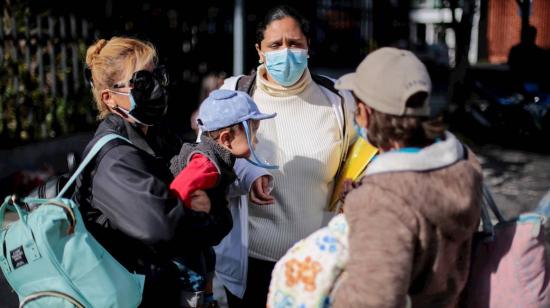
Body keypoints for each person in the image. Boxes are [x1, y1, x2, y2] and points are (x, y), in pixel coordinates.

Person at [214, 5, 356, 307]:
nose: (286, 52)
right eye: (275, 45)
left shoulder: (338, 102)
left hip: (316, 264)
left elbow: (359, 166)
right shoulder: (234, 96)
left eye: (294, 44)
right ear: (259, 50)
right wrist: (245, 178)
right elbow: (206, 163)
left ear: (308, 47)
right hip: (251, 265)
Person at [75, 37, 227, 307]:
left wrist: (210, 209)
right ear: (109, 98)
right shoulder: (113, 160)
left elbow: (210, 185)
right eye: (143, 82)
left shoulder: (159, 139)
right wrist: (210, 216)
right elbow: (163, 227)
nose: (157, 87)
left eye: (158, 76)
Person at [330, 47, 483, 307]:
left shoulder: (381, 201)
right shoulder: (463, 161)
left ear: (366, 113)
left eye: (356, 109)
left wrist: (366, 203)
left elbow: (372, 300)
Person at [169, 89, 276, 307]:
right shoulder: (207, 165)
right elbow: (175, 193)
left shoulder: (216, 158)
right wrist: (193, 209)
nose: (255, 143)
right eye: (252, 135)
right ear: (226, 139)